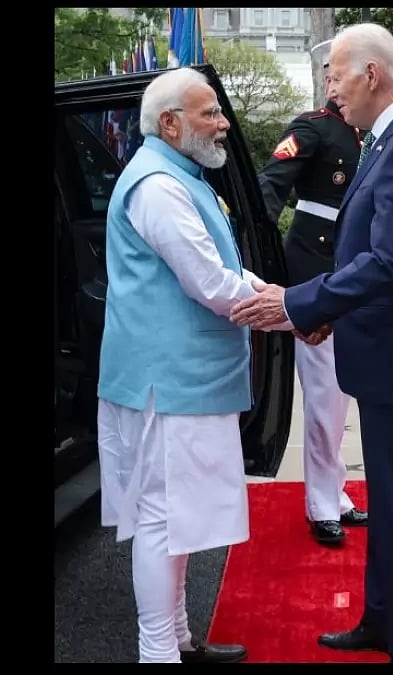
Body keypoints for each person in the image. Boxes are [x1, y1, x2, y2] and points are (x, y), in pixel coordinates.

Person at [230, 23, 393, 662]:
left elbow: (387, 261)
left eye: (336, 75)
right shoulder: (392, 139)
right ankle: (382, 621)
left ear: (371, 74)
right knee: (391, 500)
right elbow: (377, 255)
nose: (331, 90)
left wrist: (295, 301)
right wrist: (332, 314)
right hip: (389, 344)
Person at [98, 66, 288, 663]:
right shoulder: (159, 186)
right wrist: (294, 313)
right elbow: (211, 283)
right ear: (172, 123)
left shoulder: (181, 175)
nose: (222, 121)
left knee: (175, 519)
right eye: (209, 113)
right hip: (166, 385)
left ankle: (178, 639)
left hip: (185, 381)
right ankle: (157, 652)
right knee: (161, 519)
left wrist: (279, 296)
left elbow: (227, 266)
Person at [257, 55, 368, 547]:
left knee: (340, 397)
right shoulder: (313, 127)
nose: (334, 84)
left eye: (341, 75)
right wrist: (251, 250)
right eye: (331, 76)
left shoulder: (369, 131)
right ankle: (322, 503)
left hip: (353, 270)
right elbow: (270, 187)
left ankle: (336, 492)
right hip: (315, 268)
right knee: (324, 393)